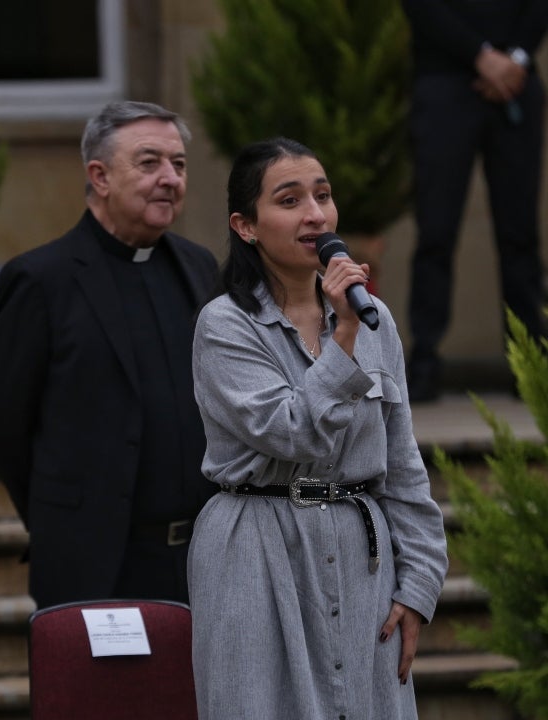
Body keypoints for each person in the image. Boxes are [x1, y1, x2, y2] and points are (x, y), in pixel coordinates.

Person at [187, 137, 449, 719]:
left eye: (323, 196)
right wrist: (345, 338)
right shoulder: (226, 326)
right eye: (289, 199)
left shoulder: (374, 322)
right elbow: (293, 433)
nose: (315, 214)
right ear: (246, 225)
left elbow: (404, 466)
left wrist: (418, 586)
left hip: (363, 564)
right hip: (255, 554)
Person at [0, 100, 219, 609]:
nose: (170, 178)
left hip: (203, 557)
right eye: (149, 163)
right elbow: (3, 422)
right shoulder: (43, 279)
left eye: (178, 164)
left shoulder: (199, 267)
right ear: (100, 176)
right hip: (95, 562)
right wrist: (64, 514)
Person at [403, 0, 548, 402]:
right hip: (443, 83)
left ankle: (530, 363)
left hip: (516, 86)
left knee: (520, 235)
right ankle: (425, 360)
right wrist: (480, 55)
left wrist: (514, 58)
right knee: (435, 230)